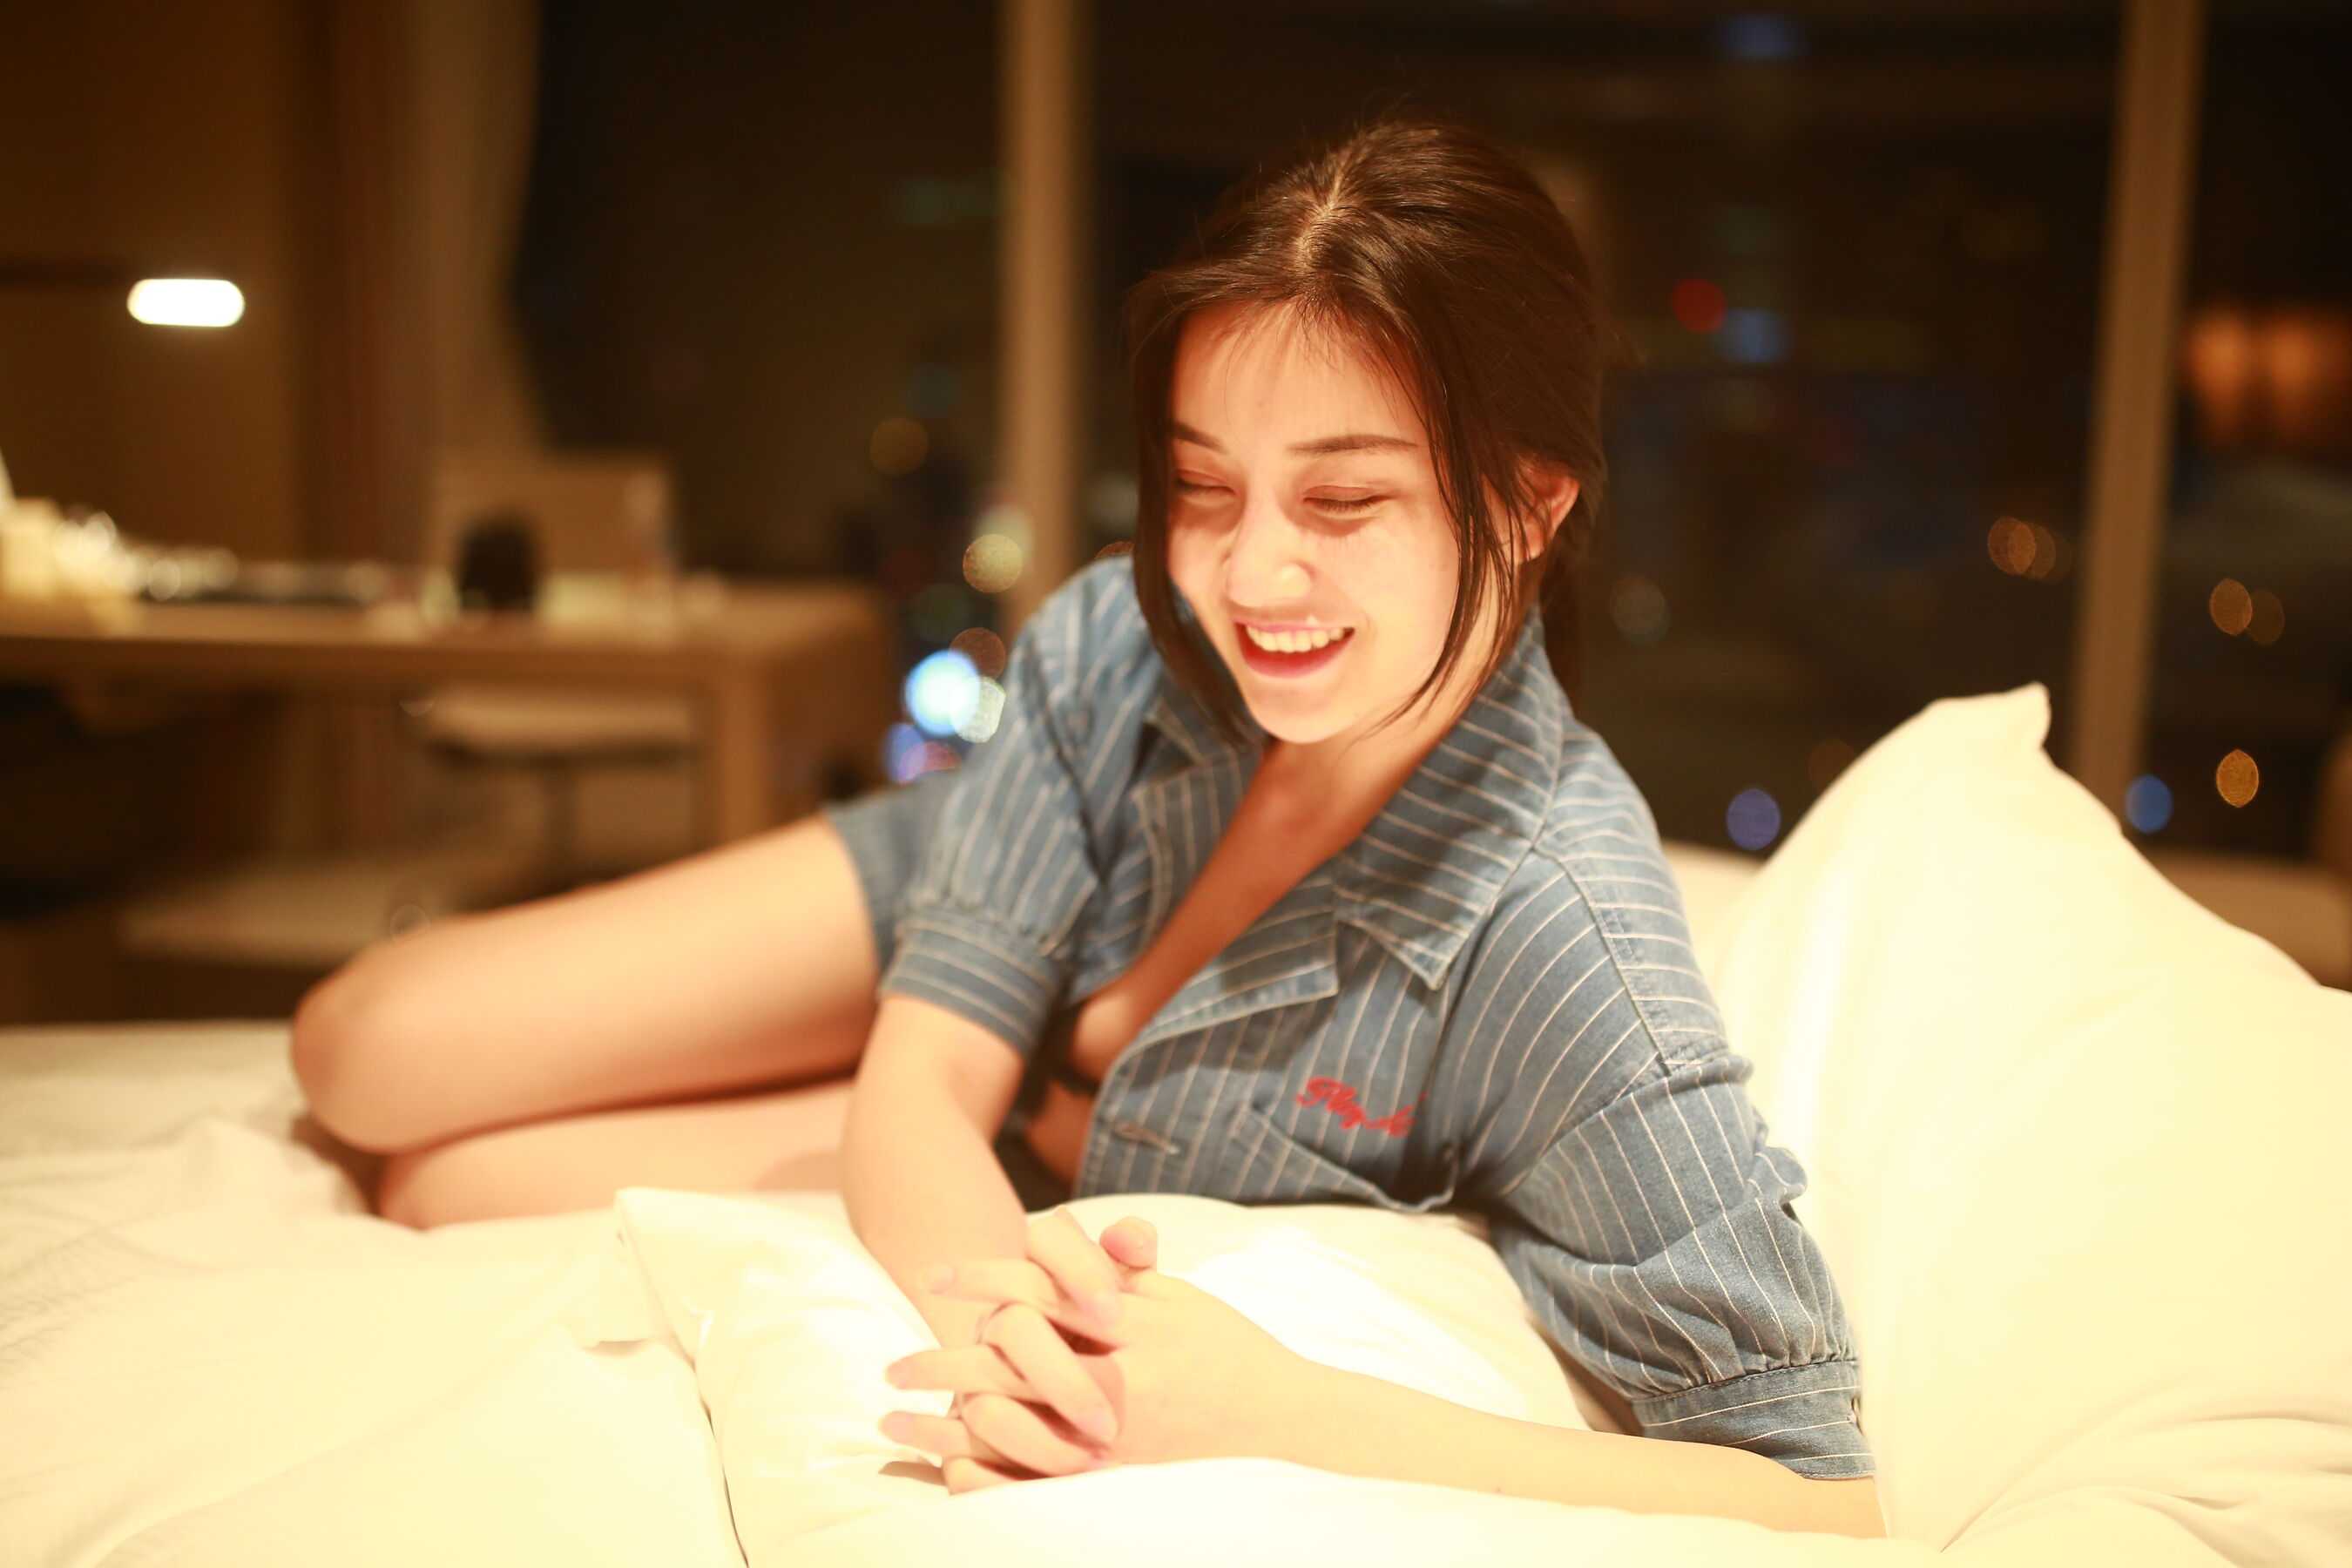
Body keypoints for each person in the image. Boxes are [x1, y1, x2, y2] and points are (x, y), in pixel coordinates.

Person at [292, 112, 1882, 1538]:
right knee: (361, 1048)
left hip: (1015, 1133)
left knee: (446, 1186)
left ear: (1532, 505)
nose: (1252, 577)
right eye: (1204, 488)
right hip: (973, 897)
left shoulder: (1563, 940)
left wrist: (1277, 1411)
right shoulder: (1124, 642)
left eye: (1343, 501)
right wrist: (1017, 1341)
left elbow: (1818, 1489)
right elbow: (926, 1073)